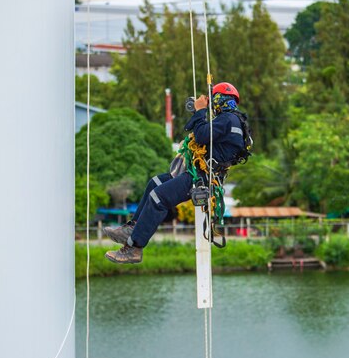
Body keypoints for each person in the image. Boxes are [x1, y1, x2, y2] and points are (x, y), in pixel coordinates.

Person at [104, 82, 248, 264]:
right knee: (155, 183)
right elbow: (203, 134)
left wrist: (200, 111)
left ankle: (134, 248)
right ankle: (131, 228)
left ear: (220, 100)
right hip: (200, 173)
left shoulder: (228, 119)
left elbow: (203, 135)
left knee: (158, 197)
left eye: (213, 100)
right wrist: (199, 113)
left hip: (202, 178)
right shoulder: (233, 121)